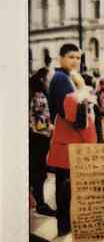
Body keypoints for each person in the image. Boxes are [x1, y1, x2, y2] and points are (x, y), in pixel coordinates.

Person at [47, 43, 97, 236]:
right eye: (71, 57)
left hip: (68, 142)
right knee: (66, 190)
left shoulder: (65, 77)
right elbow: (72, 113)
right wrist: (84, 91)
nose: (75, 61)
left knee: (66, 189)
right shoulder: (61, 78)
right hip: (69, 143)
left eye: (78, 57)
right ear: (61, 58)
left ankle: (66, 228)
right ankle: (65, 229)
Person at [29, 68, 57, 217]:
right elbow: (41, 121)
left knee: (37, 170)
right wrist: (51, 127)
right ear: (43, 79)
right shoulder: (39, 96)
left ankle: (36, 201)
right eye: (49, 78)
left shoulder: (33, 93)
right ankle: (40, 204)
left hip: (35, 137)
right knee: (39, 171)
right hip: (39, 137)